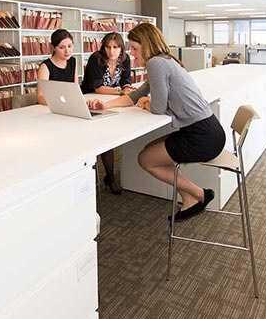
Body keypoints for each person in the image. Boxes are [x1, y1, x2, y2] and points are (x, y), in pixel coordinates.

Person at [87, 23, 225, 222]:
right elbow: (134, 95)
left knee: (146, 159)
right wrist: (105, 106)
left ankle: (201, 194)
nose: (132, 55)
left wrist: (147, 104)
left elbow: (157, 108)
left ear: (147, 44)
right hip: (207, 129)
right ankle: (188, 197)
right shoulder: (165, 61)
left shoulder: (156, 64)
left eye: (134, 48)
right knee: (149, 149)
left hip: (201, 136)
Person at [81, 32, 135, 195]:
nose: (111, 51)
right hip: (91, 101)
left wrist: (126, 87)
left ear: (121, 48)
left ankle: (110, 176)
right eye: (108, 47)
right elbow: (98, 87)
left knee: (113, 133)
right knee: (104, 137)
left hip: (109, 101)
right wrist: (121, 92)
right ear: (103, 47)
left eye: (115, 47)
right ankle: (109, 176)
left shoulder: (124, 60)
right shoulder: (96, 59)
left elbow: (126, 80)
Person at [36, 29, 78, 106]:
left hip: (68, 105)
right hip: (49, 107)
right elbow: (40, 97)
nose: (67, 51)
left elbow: (75, 89)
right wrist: (58, 104)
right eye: (61, 47)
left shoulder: (72, 61)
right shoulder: (45, 66)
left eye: (69, 46)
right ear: (53, 48)